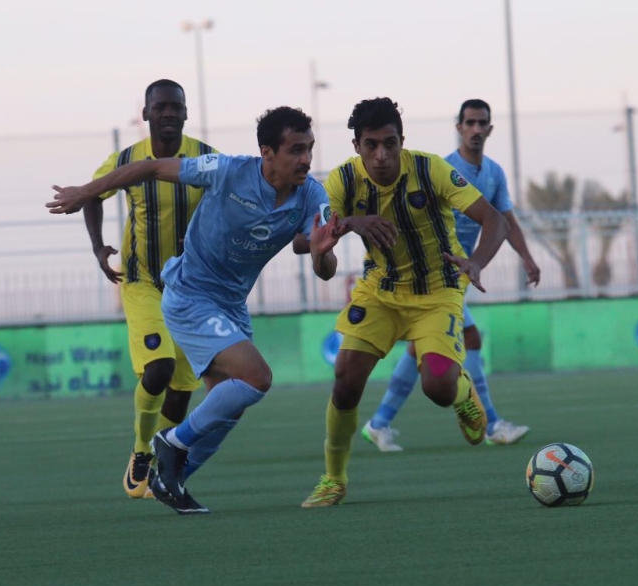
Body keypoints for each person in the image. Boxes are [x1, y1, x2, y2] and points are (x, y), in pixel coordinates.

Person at [48, 107, 393, 514]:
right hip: (190, 295)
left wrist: (321, 252)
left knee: (226, 408)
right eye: (296, 150)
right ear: (267, 152)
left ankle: (170, 481)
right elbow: (150, 167)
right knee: (257, 377)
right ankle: (170, 441)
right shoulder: (226, 171)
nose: (306, 159)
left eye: (310, 149)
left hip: (231, 306)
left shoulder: (312, 196)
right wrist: (86, 192)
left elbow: (324, 268)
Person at [300, 97, 509, 508]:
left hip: (437, 290)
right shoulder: (342, 181)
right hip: (380, 290)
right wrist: (347, 227)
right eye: (371, 145)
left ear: (402, 141)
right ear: (357, 146)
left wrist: (477, 262)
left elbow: (495, 219)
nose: (381, 155)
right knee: (345, 380)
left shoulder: (431, 169)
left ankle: (463, 395)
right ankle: (333, 479)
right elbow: (312, 249)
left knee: (437, 387)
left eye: (390, 144)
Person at [361, 99, 541, 452]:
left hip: (458, 276)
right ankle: (491, 424)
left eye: (482, 123)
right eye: (469, 122)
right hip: (433, 275)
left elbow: (505, 220)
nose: (476, 129)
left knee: (420, 347)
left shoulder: (494, 173)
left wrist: (527, 257)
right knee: (470, 338)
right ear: (459, 128)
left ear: (489, 129)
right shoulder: (442, 170)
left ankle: (379, 423)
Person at [83, 79, 217, 500]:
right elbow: (92, 195)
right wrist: (98, 246)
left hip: (191, 289)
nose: (168, 113)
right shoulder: (125, 160)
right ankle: (141, 450)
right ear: (145, 114)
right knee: (158, 368)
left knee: (180, 390)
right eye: (160, 107)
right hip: (142, 283)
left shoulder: (206, 158)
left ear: (186, 113)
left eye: (175, 106)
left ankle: (161, 459)